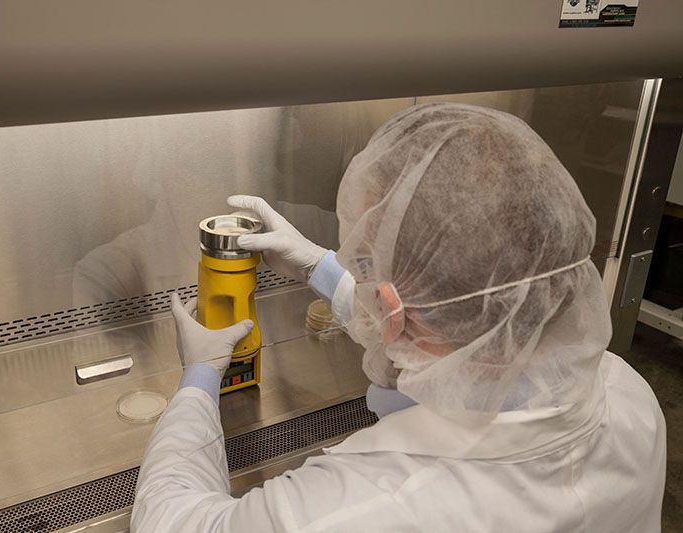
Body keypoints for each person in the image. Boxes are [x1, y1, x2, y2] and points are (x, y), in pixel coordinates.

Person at [131, 103, 666, 532]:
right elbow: (457, 316)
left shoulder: (355, 510)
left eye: (366, 259)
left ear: (393, 308)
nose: (355, 267)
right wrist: (319, 266)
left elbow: (176, 521)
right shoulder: (629, 398)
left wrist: (198, 381)